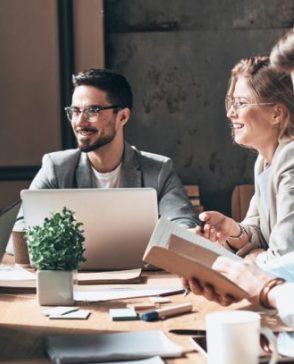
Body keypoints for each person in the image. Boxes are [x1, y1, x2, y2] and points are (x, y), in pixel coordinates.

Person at [29, 68, 198, 228]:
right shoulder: (56, 168)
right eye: (75, 111)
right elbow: (22, 226)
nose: (79, 122)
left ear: (123, 116)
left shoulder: (159, 171)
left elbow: (184, 224)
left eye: (92, 111)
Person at [196, 56, 294, 264]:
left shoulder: (290, 158)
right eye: (231, 102)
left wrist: (255, 257)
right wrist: (232, 230)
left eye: (241, 103)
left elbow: (287, 256)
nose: (231, 113)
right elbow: (258, 232)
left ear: (277, 114)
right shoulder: (264, 161)